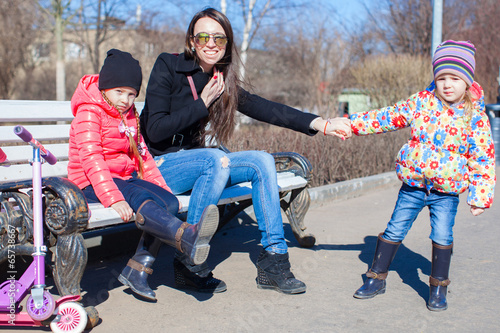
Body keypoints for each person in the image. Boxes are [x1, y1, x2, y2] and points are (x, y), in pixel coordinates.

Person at [140, 8, 351, 294]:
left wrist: (319, 123)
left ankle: (274, 260)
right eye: (203, 36)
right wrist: (201, 104)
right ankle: (188, 262)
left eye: (219, 38)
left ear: (227, 45)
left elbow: (265, 108)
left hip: (200, 164)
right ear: (192, 40)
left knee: (261, 161)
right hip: (159, 165)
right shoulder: (168, 65)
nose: (211, 43)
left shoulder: (220, 80)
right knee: (214, 157)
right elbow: (154, 130)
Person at [348, 40, 496, 311]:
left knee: (442, 235)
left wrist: (480, 196)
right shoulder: (421, 103)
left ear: (467, 82)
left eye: (454, 78)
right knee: (395, 228)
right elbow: (385, 117)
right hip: (413, 187)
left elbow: (483, 158)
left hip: (446, 193)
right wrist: (350, 125)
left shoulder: (474, 115)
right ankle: (376, 278)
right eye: (441, 77)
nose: (447, 84)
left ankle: (438, 288)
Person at [67, 49, 220, 302]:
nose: (126, 100)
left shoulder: (128, 115)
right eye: (119, 92)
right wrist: (114, 198)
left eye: (132, 94)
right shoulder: (89, 112)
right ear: (105, 88)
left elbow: (143, 155)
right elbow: (91, 158)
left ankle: (137, 270)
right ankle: (187, 237)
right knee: (138, 196)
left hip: (123, 179)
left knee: (168, 203)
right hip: (89, 182)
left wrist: (162, 188)